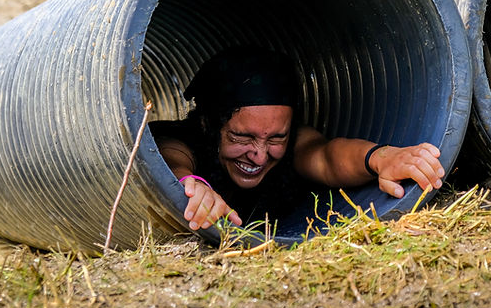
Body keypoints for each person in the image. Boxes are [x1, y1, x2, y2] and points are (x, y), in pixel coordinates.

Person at [150, 46, 445, 231]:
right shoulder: (186, 139)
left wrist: (381, 158)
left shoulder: (294, 143)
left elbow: (326, 157)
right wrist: (192, 186)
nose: (260, 155)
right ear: (208, 124)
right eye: (242, 137)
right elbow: (169, 160)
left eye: (275, 138)